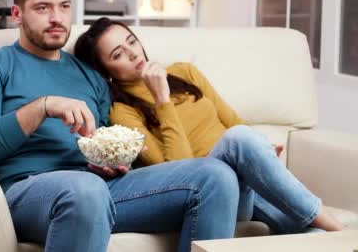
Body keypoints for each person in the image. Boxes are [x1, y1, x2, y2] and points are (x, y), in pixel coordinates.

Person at [0, 0, 241, 252]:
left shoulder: (91, 76)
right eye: (42, 8)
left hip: (101, 189)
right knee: (84, 189)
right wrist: (44, 106)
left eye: (64, 7)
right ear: (17, 14)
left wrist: (114, 163)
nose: (56, 18)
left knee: (215, 176)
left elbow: (108, 141)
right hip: (28, 191)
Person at [73, 17, 345, 235]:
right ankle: (338, 229)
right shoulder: (124, 112)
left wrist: (261, 149)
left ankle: (328, 234)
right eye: (119, 54)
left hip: (247, 179)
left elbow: (233, 121)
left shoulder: (185, 72)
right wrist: (161, 99)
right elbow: (182, 171)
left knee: (311, 237)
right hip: (215, 194)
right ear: (106, 72)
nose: (133, 53)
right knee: (238, 139)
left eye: (132, 41)